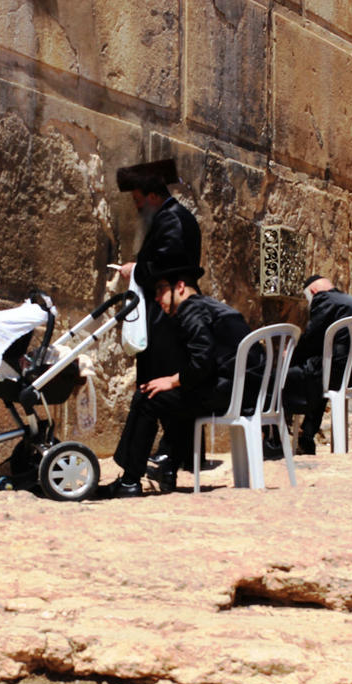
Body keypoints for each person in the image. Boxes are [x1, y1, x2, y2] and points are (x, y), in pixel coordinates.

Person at [111, 265, 263, 497]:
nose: (156, 297)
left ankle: (130, 480)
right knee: (175, 398)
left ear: (180, 287)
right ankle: (167, 468)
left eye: (161, 289)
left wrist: (173, 380)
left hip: (230, 394)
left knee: (147, 396)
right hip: (245, 391)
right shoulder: (212, 307)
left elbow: (202, 360)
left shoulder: (191, 309)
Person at [115, 160, 202, 478]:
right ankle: (175, 456)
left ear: (153, 196)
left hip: (168, 315)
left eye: (138, 201)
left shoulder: (173, 220)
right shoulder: (173, 217)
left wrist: (134, 270)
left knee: (156, 386)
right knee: (161, 386)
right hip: (167, 312)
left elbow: (168, 264)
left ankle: (144, 463)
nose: (137, 208)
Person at [282, 275, 352, 455]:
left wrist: (290, 355)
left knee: (286, 376)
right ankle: (307, 435)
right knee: (319, 376)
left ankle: (276, 437)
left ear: (313, 292)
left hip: (337, 371)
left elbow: (311, 338)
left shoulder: (324, 300)